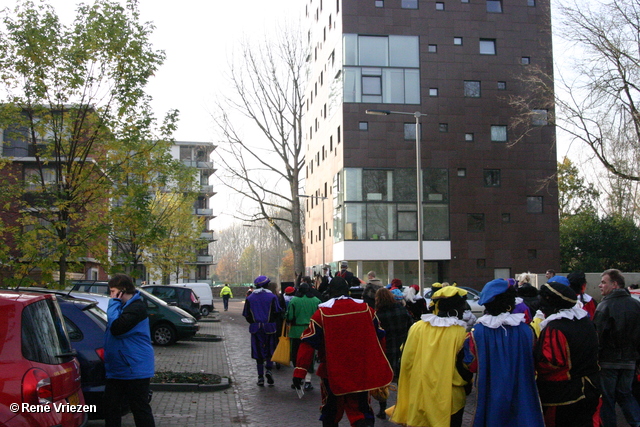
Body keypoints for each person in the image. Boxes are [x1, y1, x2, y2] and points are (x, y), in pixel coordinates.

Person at [293, 276, 393, 427]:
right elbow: (381, 337)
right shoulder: (367, 310)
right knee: (361, 409)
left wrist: (300, 372)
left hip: (332, 373)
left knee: (331, 412)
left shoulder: (321, 315)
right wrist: (379, 362)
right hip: (361, 370)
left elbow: (308, 344)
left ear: (330, 292)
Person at [463, 279, 544, 427]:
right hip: (522, 394)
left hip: (491, 396)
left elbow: (471, 364)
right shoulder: (527, 331)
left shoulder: (477, 333)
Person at [391, 286, 472, 427]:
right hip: (450, 399)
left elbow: (406, 360)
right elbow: (465, 368)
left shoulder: (417, 327)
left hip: (419, 394)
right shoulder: (460, 333)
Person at [534, 281, 600, 427]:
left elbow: (550, 363)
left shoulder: (555, 328)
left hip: (564, 394)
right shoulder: (585, 321)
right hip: (591, 387)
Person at [104, 273, 155, 427]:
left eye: (113, 292)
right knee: (111, 407)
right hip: (120, 367)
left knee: (139, 409)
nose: (111, 295)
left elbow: (117, 328)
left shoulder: (136, 308)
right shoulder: (126, 307)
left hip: (134, 368)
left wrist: (113, 302)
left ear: (122, 291)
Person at [593, 269, 640, 427]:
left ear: (614, 284)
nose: (600, 285)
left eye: (604, 282)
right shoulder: (636, 305)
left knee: (607, 398)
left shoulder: (604, 306)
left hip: (608, 361)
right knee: (626, 394)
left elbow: (597, 336)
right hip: (630, 360)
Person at [373, 288, 413, 420]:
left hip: (385, 351)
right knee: (402, 381)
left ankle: (382, 408)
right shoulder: (402, 311)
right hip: (402, 350)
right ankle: (402, 407)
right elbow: (411, 327)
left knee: (383, 382)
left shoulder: (377, 315)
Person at [242, 275, 283, 386]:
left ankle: (260, 377)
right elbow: (277, 312)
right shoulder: (272, 297)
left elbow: (246, 315)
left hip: (256, 328)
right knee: (270, 350)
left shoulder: (250, 298)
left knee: (258, 352)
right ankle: (269, 370)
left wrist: (254, 322)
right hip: (269, 327)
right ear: (267, 285)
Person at [286, 282, 321, 390]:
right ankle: (308, 380)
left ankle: (298, 377)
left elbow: (289, 317)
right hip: (311, 331)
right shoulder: (316, 301)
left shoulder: (294, 300)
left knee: (296, 356)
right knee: (309, 357)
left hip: (296, 331)